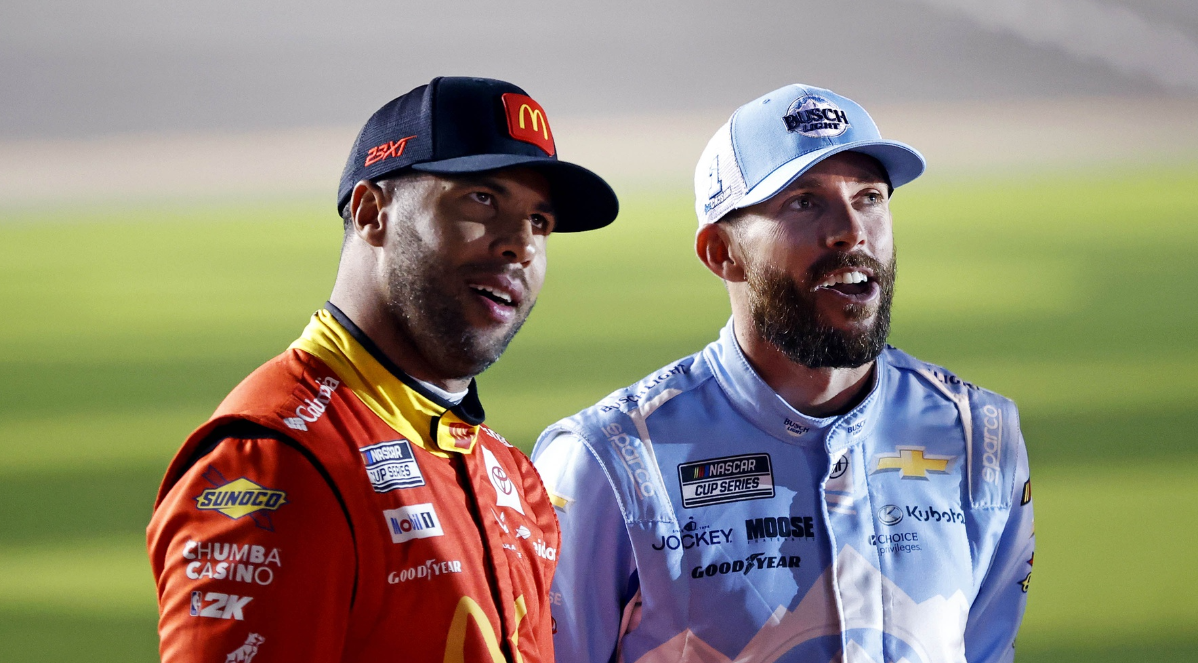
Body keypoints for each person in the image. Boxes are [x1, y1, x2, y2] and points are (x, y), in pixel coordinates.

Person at [533, 84, 1034, 663]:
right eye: (803, 202)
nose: (850, 229)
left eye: (869, 196)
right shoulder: (605, 459)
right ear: (722, 253)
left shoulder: (980, 433)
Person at [147, 77, 618, 663]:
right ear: (372, 213)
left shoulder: (505, 472)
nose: (519, 245)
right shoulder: (278, 464)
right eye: (482, 200)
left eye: (539, 223)